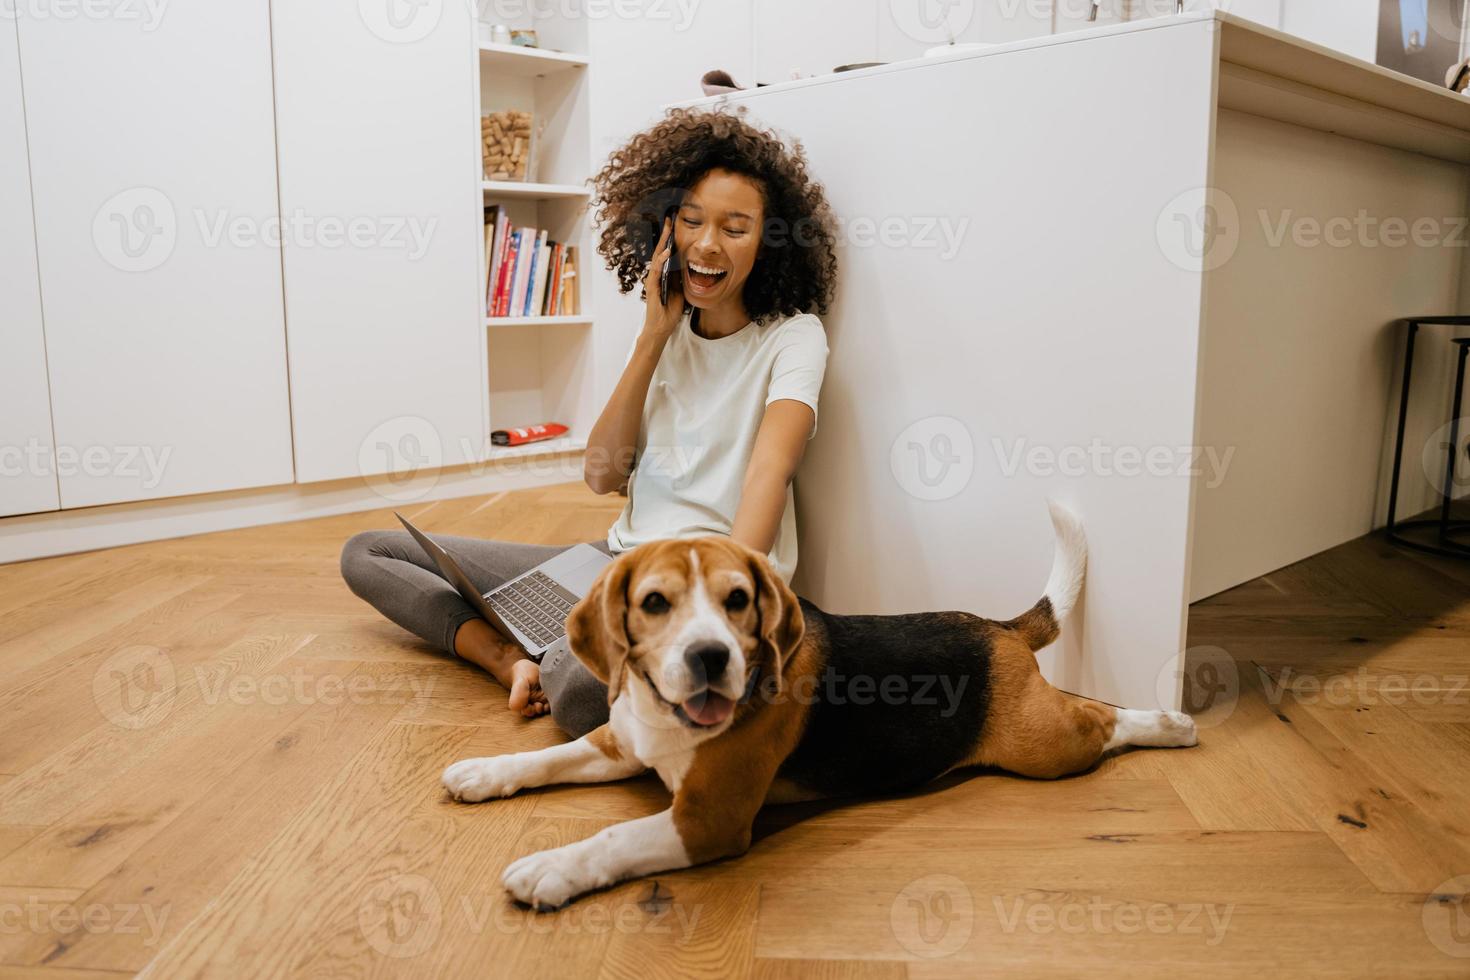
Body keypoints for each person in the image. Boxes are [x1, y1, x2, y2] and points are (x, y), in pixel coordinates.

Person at [339, 104, 839, 739]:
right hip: (611, 563)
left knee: (576, 694)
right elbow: (602, 476)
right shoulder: (666, 334)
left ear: (768, 242)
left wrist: (713, 610)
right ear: (666, 231)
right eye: (691, 221)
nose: (707, 244)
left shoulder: (795, 337)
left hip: (693, 589)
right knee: (369, 553)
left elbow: (771, 472)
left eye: (735, 229)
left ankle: (553, 643)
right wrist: (652, 338)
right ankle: (508, 658)